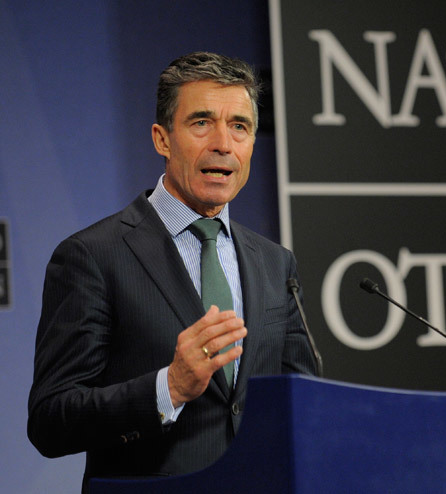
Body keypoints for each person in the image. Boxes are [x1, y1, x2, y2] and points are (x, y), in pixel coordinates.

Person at [27, 52, 318, 489]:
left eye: (239, 126)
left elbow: (305, 406)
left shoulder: (275, 264)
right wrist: (170, 387)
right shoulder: (93, 256)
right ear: (162, 139)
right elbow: (51, 421)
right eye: (202, 123)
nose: (223, 143)